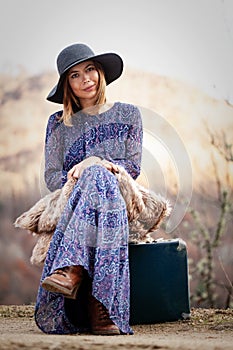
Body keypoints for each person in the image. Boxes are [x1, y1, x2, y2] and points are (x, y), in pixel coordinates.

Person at [35, 43, 143, 335]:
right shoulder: (57, 123)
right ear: (67, 84)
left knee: (98, 175)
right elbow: (51, 175)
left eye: (91, 70)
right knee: (93, 178)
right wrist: (81, 179)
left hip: (118, 192)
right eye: (75, 75)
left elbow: (132, 168)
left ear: (101, 72)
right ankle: (102, 311)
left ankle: (71, 270)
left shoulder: (129, 114)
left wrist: (95, 162)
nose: (86, 79)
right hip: (73, 196)